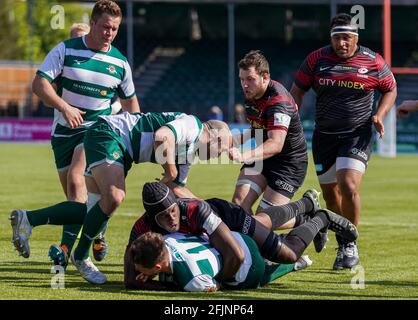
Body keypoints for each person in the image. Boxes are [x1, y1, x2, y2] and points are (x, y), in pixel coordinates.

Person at [10, 112, 232, 284]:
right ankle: (80, 255)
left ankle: (28, 219)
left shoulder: (189, 154)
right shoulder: (193, 125)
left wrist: (209, 208)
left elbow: (178, 190)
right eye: (221, 149)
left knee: (95, 210)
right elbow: (162, 136)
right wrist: (170, 170)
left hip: (120, 148)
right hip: (109, 133)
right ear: (216, 137)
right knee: (115, 197)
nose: (218, 155)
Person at [31, 1, 141, 267]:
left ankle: (67, 254)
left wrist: (134, 142)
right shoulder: (65, 50)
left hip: (96, 132)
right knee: (75, 199)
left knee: (76, 178)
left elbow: (132, 107)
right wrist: (65, 107)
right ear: (92, 23)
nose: (110, 33)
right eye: (105, 27)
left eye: (114, 29)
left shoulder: (120, 63)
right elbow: (39, 84)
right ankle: (95, 229)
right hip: (63, 134)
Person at [290, 13, 397, 270]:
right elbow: (296, 91)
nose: (342, 43)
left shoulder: (373, 61)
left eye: (347, 38)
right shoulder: (317, 59)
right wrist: (289, 123)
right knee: (330, 194)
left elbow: (390, 88)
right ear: (331, 39)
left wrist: (379, 115)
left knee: (348, 184)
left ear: (356, 38)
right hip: (324, 136)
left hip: (357, 134)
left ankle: (350, 243)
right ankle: (329, 223)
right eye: (337, 38)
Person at [123, 182, 358, 289]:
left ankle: (322, 217)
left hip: (225, 219)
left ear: (177, 204)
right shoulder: (142, 229)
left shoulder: (196, 210)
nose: (171, 219)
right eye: (163, 217)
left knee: (287, 254)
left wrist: (218, 282)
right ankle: (306, 203)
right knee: (263, 222)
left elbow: (233, 254)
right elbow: (130, 279)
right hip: (211, 234)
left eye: (173, 211)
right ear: (151, 218)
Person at [229, 50, 308, 214]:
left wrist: (244, 155)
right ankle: (248, 239)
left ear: (265, 77)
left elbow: (276, 144)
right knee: (238, 205)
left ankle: (309, 213)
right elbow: (258, 128)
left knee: (264, 219)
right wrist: (233, 139)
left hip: (288, 165)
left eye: (250, 79)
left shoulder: (279, 102)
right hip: (263, 158)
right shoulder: (252, 94)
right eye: (242, 79)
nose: (244, 84)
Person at [130, 231, 312, 292]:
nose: (139, 272)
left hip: (248, 263)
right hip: (235, 237)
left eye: (142, 270)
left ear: (157, 266)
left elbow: (216, 285)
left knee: (241, 282)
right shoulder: (168, 239)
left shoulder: (193, 280)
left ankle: (294, 264)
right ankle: (278, 244)